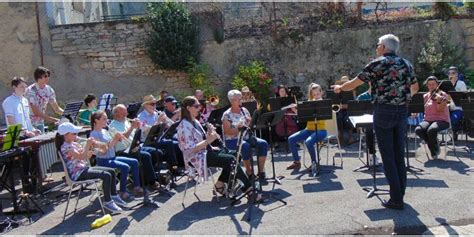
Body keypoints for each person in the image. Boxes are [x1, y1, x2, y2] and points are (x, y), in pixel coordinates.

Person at [332, 34, 419, 210]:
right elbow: (415, 87)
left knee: (387, 156)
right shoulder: (406, 64)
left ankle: (396, 199)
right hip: (401, 111)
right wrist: (403, 97)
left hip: (383, 111)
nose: (377, 47)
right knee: (398, 154)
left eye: (378, 45)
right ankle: (399, 193)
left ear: (384, 47)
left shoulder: (376, 63)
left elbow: (353, 84)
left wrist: (340, 87)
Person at [177, 96, 261, 200]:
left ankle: (220, 184)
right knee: (230, 160)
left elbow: (202, 139)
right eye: (196, 106)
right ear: (188, 108)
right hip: (196, 157)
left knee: (236, 155)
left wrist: (209, 134)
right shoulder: (184, 126)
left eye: (199, 106)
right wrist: (209, 140)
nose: (199, 108)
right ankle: (249, 190)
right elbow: (190, 149)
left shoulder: (195, 121)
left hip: (205, 151)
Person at [56, 122, 126, 213]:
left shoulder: (73, 143)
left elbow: (85, 156)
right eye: (74, 133)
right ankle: (108, 201)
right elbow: (81, 156)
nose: (76, 135)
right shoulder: (65, 147)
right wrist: (88, 145)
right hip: (77, 174)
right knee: (106, 175)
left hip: (84, 169)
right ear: (65, 135)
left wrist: (92, 149)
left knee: (112, 171)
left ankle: (114, 195)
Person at [89, 111, 144, 201]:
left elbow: (112, 144)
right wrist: (115, 139)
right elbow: (103, 151)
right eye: (104, 119)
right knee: (125, 167)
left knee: (134, 161)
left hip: (112, 157)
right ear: (96, 120)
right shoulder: (93, 134)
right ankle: (122, 191)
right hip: (103, 160)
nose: (106, 121)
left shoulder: (104, 130)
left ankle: (136, 187)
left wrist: (118, 138)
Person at [109, 104, 165, 190]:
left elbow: (135, 136)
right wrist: (132, 127)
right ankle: (152, 182)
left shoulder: (126, 121)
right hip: (123, 151)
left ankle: (145, 176)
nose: (126, 114)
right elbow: (122, 138)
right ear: (116, 114)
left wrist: (138, 128)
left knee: (156, 152)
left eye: (126, 112)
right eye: (123, 112)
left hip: (134, 146)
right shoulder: (112, 126)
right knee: (146, 156)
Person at [222, 90, 268, 182]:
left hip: (246, 137)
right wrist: (238, 129)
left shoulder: (244, 110)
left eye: (240, 99)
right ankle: (249, 171)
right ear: (231, 101)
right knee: (245, 146)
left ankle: (260, 171)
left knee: (263, 143)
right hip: (233, 140)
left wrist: (250, 121)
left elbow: (250, 124)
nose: (240, 102)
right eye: (237, 100)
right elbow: (227, 132)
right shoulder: (227, 115)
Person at [286, 83, 328, 170]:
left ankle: (314, 163)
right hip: (308, 129)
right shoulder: (309, 103)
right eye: (314, 94)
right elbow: (302, 115)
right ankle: (297, 162)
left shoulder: (324, 103)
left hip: (321, 130)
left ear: (321, 93)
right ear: (312, 94)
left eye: (318, 94)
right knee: (291, 139)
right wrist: (294, 109)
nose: (316, 96)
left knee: (308, 142)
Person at [137, 95, 182, 168]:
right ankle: (173, 167)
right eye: (152, 104)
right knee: (169, 143)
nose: (154, 106)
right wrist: (158, 121)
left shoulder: (156, 114)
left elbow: (172, 126)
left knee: (177, 143)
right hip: (147, 141)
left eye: (155, 104)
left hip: (159, 139)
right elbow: (146, 131)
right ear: (145, 105)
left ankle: (179, 165)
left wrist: (166, 122)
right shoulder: (141, 117)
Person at [415, 76, 450, 159]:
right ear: (427, 86)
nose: (431, 86)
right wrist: (415, 112)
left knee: (432, 130)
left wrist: (439, 101)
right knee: (418, 130)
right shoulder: (425, 96)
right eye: (429, 84)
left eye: (433, 84)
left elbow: (440, 110)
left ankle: (434, 152)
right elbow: (419, 108)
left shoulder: (443, 94)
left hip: (442, 120)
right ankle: (434, 144)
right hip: (428, 120)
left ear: (437, 84)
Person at [25, 66, 64, 133]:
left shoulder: (49, 89)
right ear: (39, 77)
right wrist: (55, 120)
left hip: (40, 122)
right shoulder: (31, 90)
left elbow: (56, 109)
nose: (48, 78)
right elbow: (36, 113)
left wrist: (68, 114)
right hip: (29, 124)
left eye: (48, 75)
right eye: (45, 76)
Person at [335, 76, 356, 146]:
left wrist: (345, 106)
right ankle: (340, 138)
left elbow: (354, 103)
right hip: (339, 110)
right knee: (338, 117)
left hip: (349, 109)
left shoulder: (352, 91)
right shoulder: (337, 91)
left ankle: (350, 138)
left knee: (348, 117)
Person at [448, 66, 467, 139]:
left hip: (458, 108)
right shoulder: (446, 84)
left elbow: (464, 97)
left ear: (457, 74)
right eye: (449, 73)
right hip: (447, 108)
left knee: (454, 119)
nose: (451, 75)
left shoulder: (461, 83)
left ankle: (455, 134)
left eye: (453, 73)